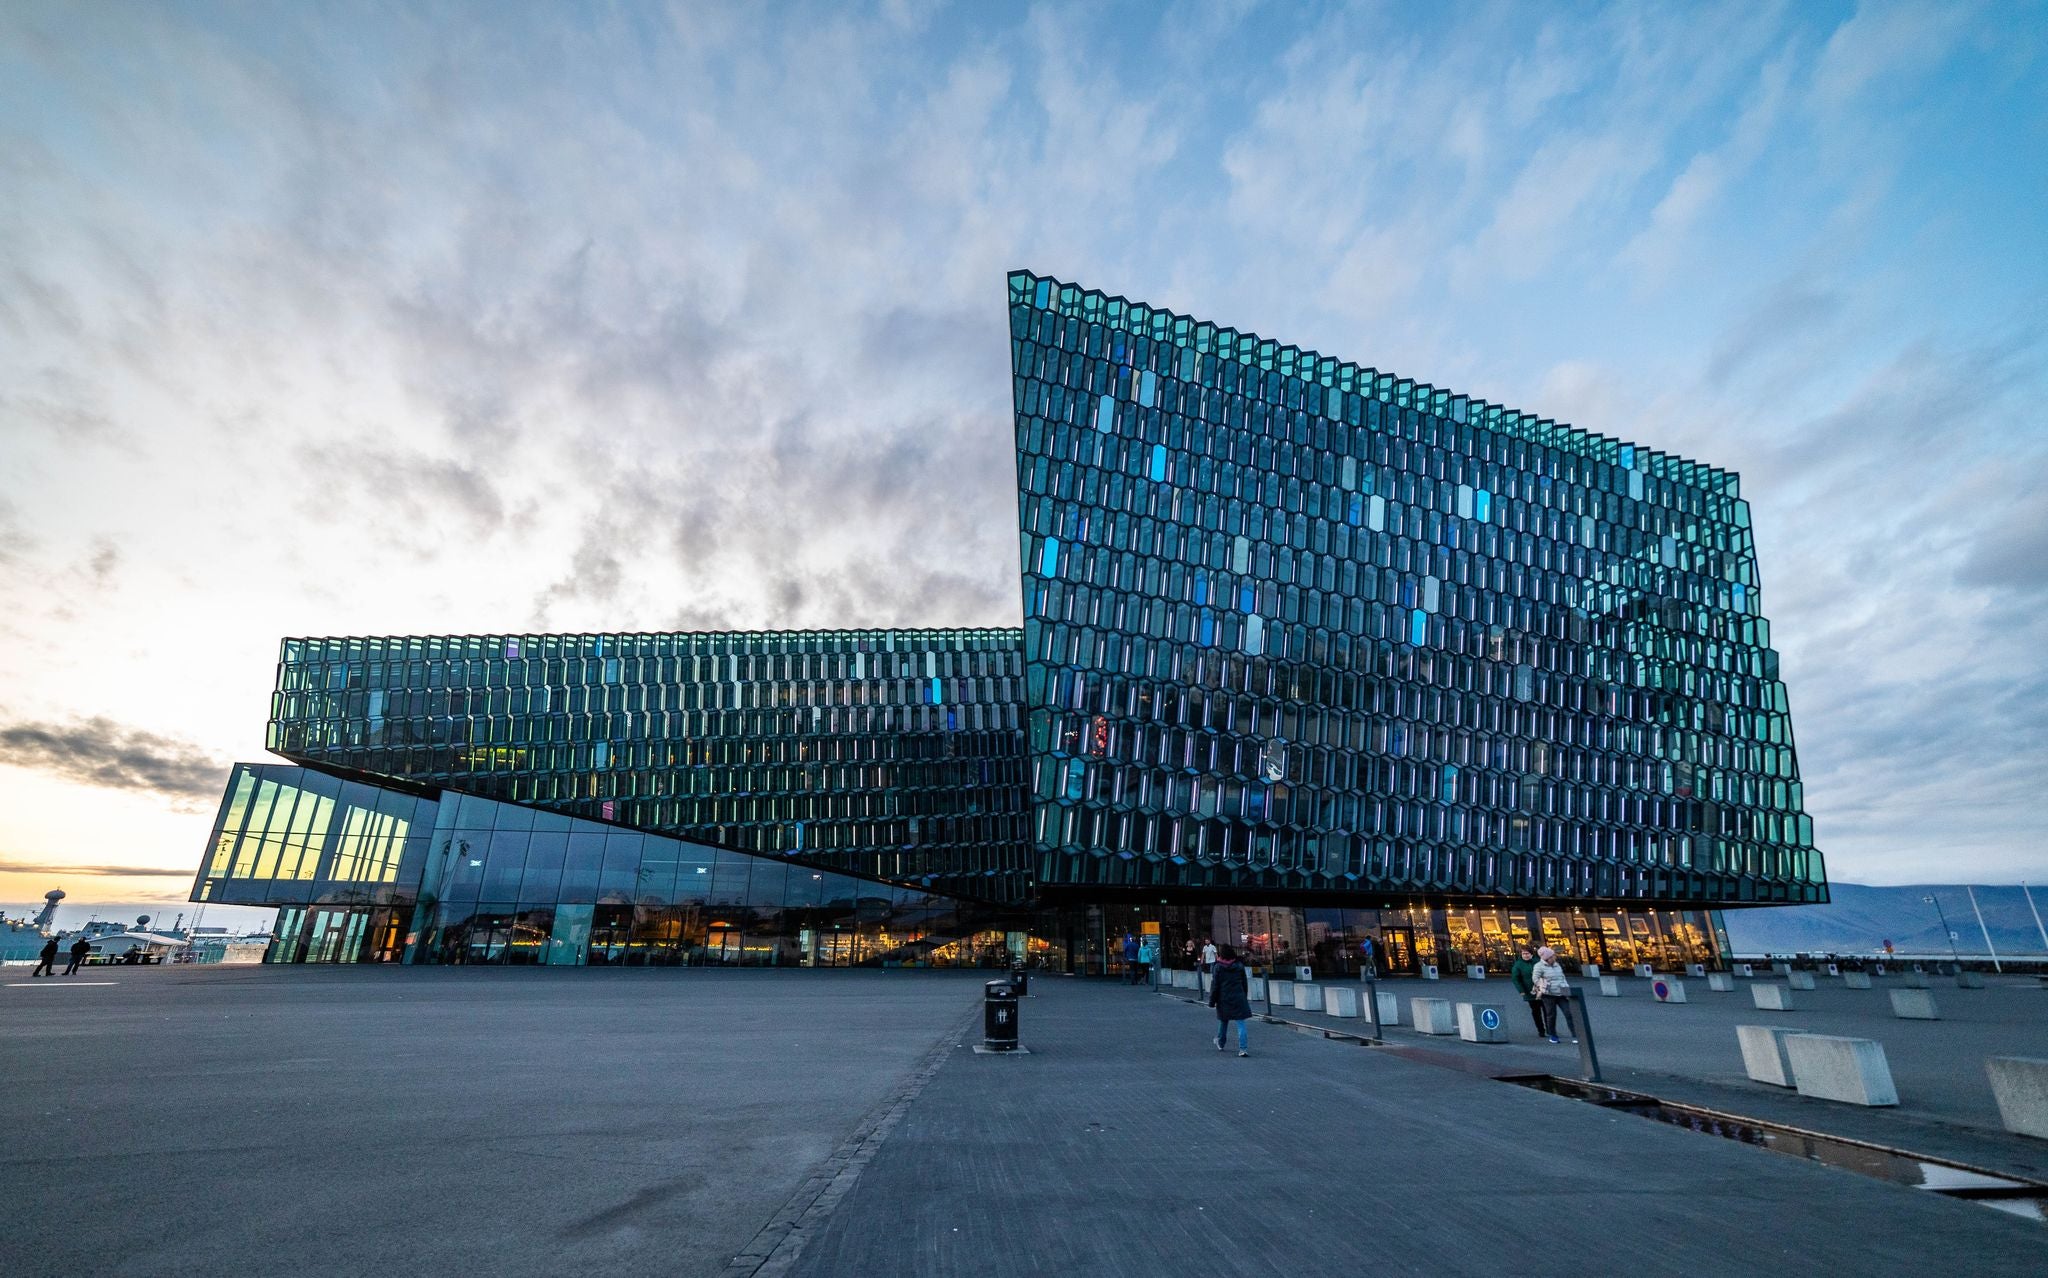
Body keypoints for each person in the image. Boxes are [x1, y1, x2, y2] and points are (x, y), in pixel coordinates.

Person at [1208, 943, 1253, 1056]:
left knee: (1224, 1021)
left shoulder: (1218, 967)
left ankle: (1221, 1043)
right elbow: (1244, 983)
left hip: (1224, 998)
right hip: (1238, 997)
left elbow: (1215, 985)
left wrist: (1212, 1001)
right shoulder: (1239, 965)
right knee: (1241, 1023)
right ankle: (1243, 1049)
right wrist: (1244, 995)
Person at [1531, 945, 1578, 1044]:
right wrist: (1545, 984)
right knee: (1551, 1015)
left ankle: (1576, 1034)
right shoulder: (1538, 966)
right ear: (1547, 958)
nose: (1554, 957)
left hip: (1561, 993)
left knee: (1569, 1013)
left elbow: (1562, 977)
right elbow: (1535, 979)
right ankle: (1553, 1035)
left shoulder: (1557, 965)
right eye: (1552, 956)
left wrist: (1566, 988)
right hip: (1548, 994)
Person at [1509, 944, 1544, 1037]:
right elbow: (1515, 979)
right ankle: (1541, 1030)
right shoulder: (1518, 965)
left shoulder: (1538, 961)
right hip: (1530, 991)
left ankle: (1550, 1029)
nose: (1525, 955)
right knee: (1536, 1011)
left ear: (1532, 954)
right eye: (1523, 954)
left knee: (1547, 1010)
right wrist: (1521, 990)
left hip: (1543, 989)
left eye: (1527, 953)